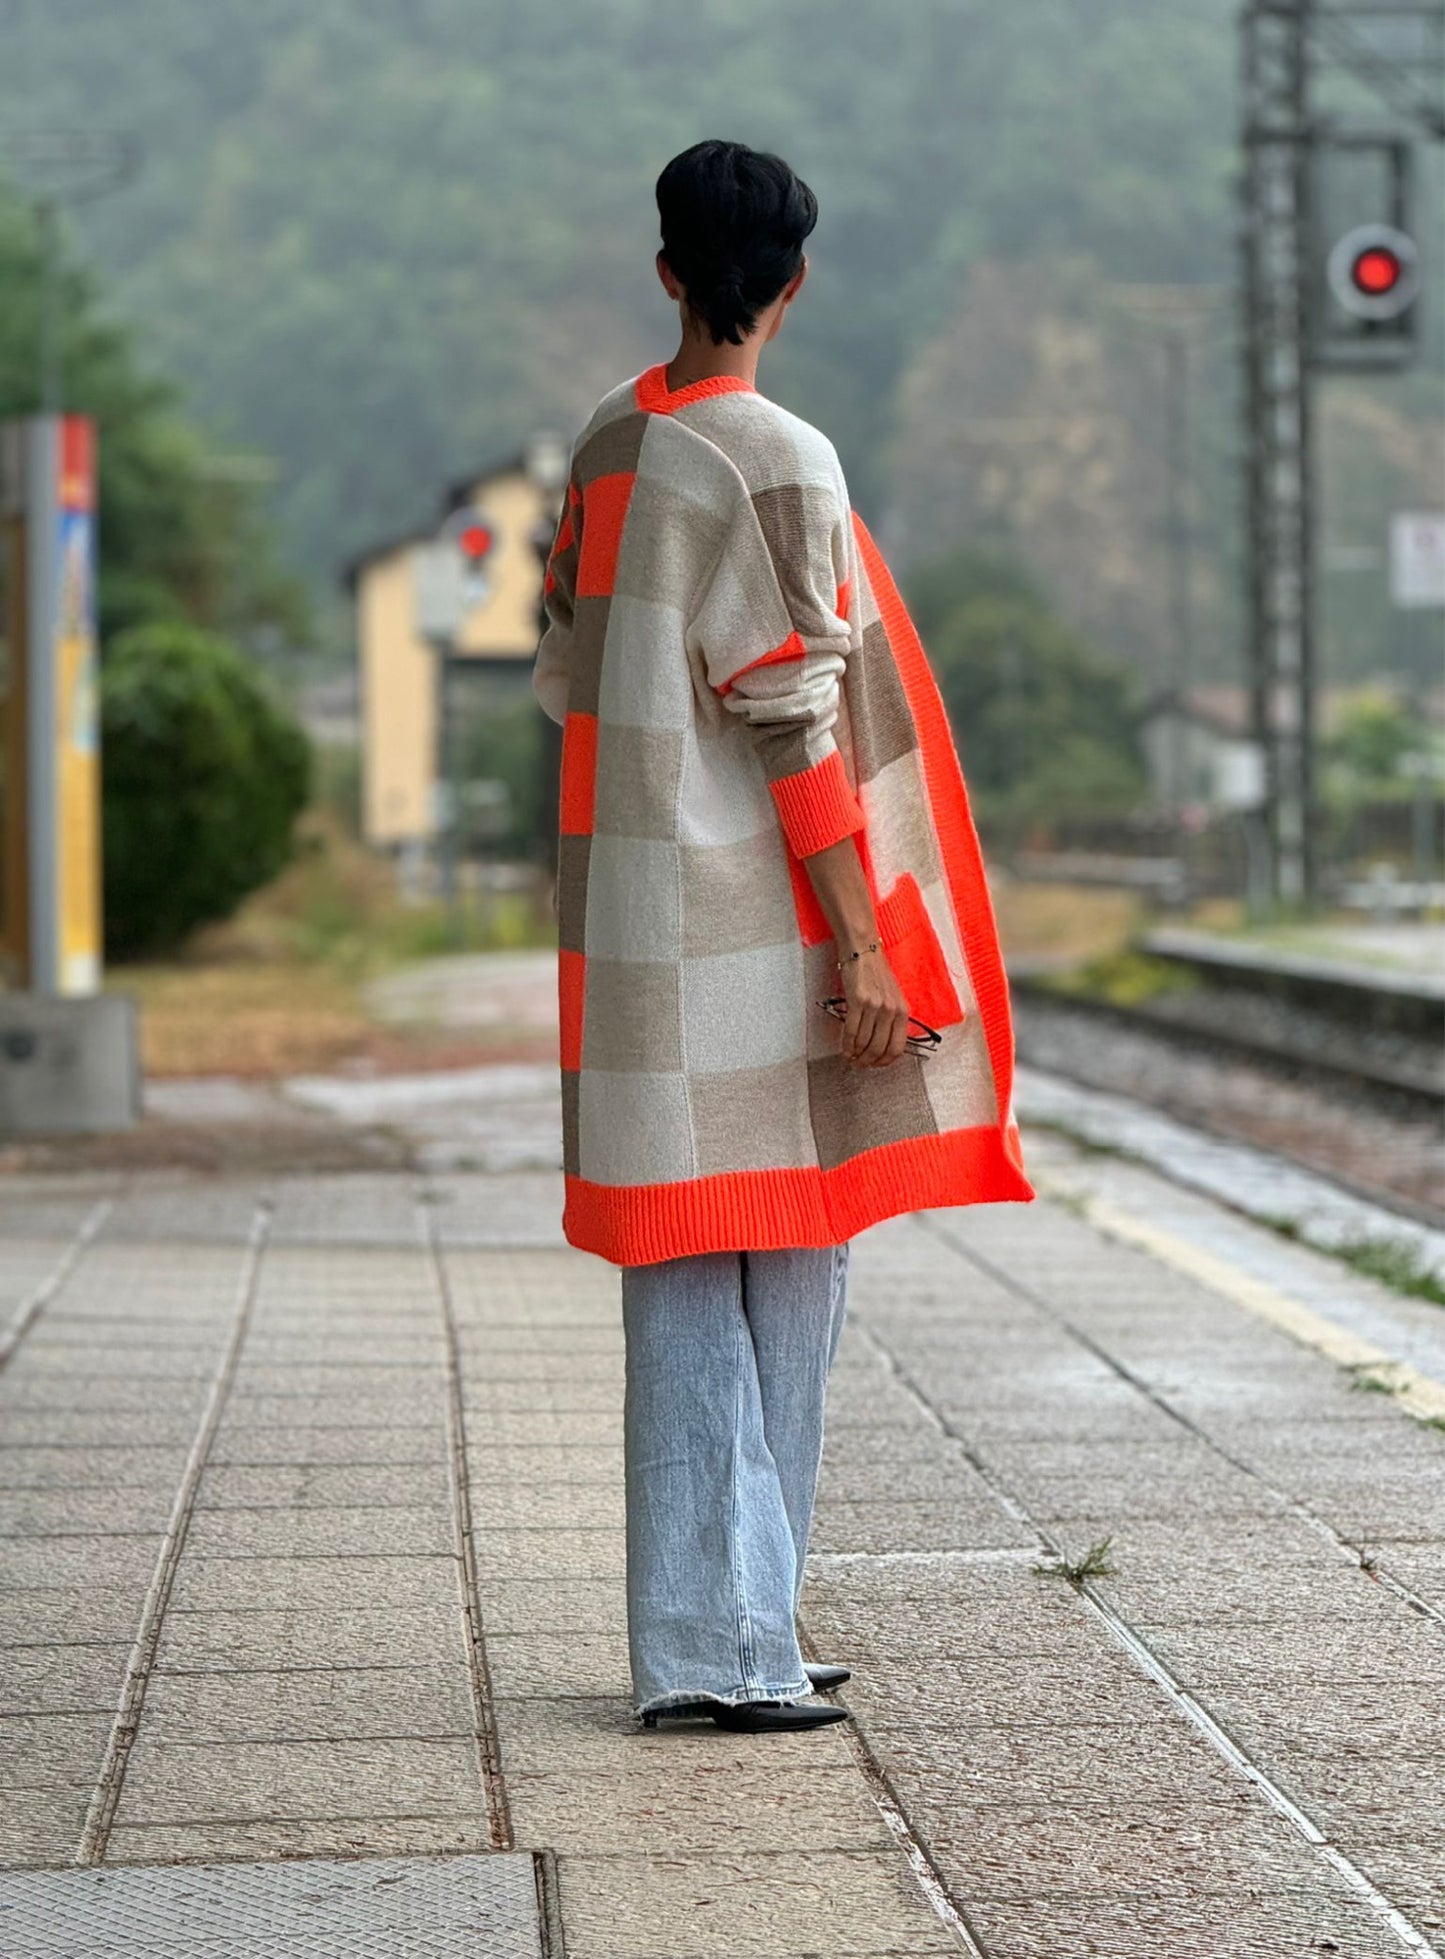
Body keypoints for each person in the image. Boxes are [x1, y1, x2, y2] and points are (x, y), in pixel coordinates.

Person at [533, 138, 1032, 1735]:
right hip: (762, 926)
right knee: (782, 1268)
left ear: (668, 269)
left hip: (635, 929)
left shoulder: (611, 450)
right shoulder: (776, 456)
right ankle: (713, 1647)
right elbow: (792, 723)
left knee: (710, 1268)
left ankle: (741, 1619)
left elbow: (563, 668)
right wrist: (865, 947)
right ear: (792, 283)